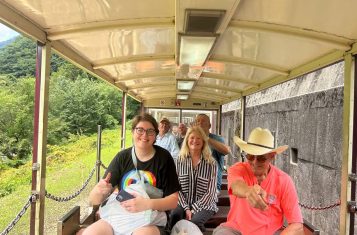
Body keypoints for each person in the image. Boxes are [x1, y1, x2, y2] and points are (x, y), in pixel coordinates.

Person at [82, 113, 181, 235]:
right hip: (120, 215)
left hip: (150, 219)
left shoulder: (164, 158)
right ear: (133, 132)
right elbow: (94, 200)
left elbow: (173, 201)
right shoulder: (122, 158)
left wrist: (146, 204)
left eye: (150, 131)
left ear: (155, 135)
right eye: (140, 130)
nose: (144, 135)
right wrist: (98, 191)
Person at [213, 127, 304, 235]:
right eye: (250, 156)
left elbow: (297, 225)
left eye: (261, 158)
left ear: (272, 157)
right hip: (235, 230)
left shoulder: (284, 181)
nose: (254, 162)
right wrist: (248, 191)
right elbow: (236, 186)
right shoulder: (237, 169)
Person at [169, 126, 218, 232]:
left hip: (205, 204)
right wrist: (187, 208)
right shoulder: (179, 161)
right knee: (174, 216)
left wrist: (194, 209)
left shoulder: (211, 163)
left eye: (198, 138)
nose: (195, 140)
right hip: (182, 202)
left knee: (194, 222)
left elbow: (211, 192)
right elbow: (176, 189)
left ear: (203, 142)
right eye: (192, 137)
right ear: (187, 140)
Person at [195, 114, 230, 192]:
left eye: (203, 121)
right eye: (197, 121)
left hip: (212, 185)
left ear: (209, 126)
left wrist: (205, 138)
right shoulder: (193, 140)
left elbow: (226, 151)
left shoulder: (217, 139)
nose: (200, 123)